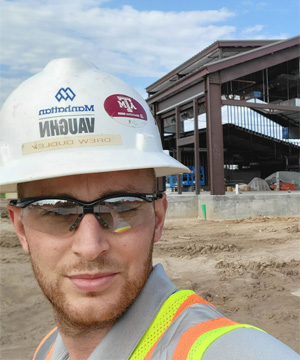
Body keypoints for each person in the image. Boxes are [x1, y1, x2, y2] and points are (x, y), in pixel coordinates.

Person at [0, 58, 299, 360]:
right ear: (21, 228)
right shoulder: (49, 351)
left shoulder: (227, 352)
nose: (90, 247)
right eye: (56, 210)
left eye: (120, 206)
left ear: (158, 218)